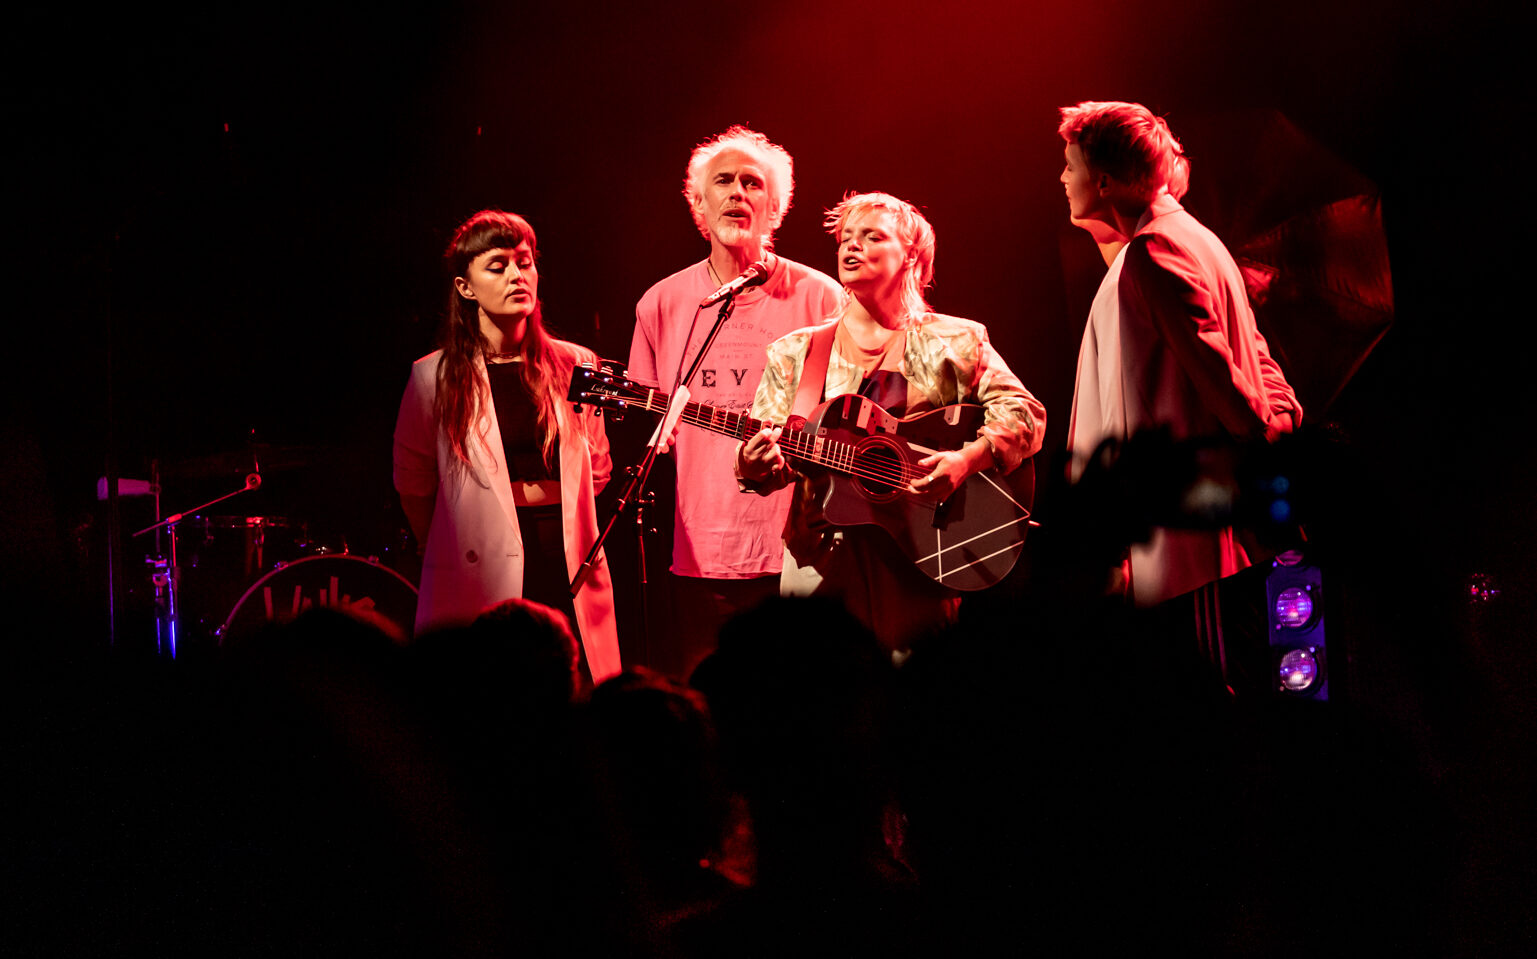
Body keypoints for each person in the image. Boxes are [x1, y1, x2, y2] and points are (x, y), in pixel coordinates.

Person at [735, 192, 1045, 651]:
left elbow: (1025, 413)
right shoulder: (796, 351)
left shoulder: (957, 341)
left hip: (922, 556)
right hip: (822, 564)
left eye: (871, 236)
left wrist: (967, 459)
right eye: (845, 238)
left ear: (911, 256)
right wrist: (753, 464)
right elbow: (774, 459)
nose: (850, 247)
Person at [1058, 100, 1302, 609]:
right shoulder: (1190, 238)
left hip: (1186, 517)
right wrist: (1278, 418)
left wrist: (1263, 434)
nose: (1062, 177)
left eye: (1070, 165)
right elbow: (1256, 356)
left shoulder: (1155, 249)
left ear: (1104, 181)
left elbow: (1219, 374)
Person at [629, 126, 842, 678]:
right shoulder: (661, 303)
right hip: (704, 553)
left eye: (753, 183)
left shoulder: (822, 296)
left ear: (775, 206)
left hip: (805, 549)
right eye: (723, 181)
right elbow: (648, 422)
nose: (738, 192)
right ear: (699, 204)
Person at [394, 209, 620, 683]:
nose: (518, 275)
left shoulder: (576, 364)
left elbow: (598, 470)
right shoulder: (432, 376)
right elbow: (414, 484)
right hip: (481, 554)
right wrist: (438, 543)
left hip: (564, 553)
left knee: (574, 690)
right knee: (493, 693)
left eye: (526, 262)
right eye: (498, 266)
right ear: (465, 287)